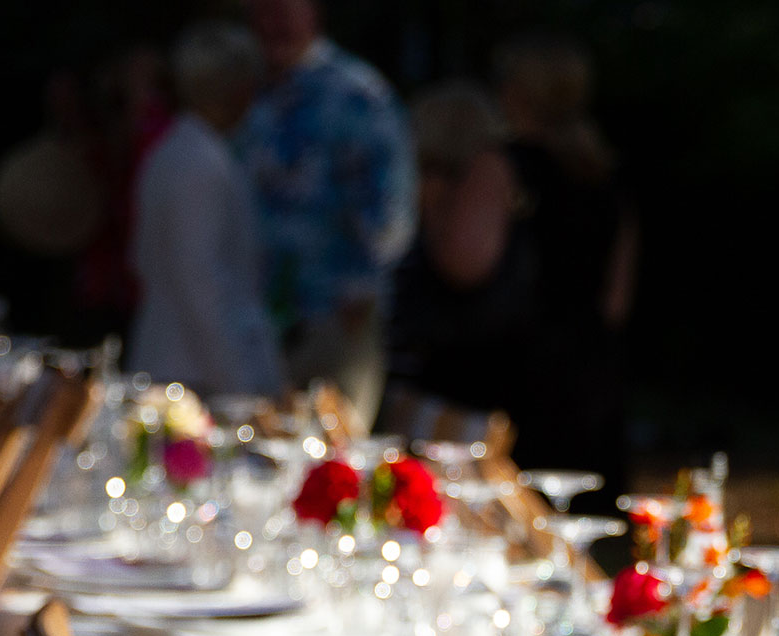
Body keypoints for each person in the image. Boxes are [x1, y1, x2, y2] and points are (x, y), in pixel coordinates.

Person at [236, 0, 413, 422]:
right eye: (262, 8)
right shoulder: (249, 92)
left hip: (331, 325)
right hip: (254, 325)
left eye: (285, 8)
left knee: (329, 470)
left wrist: (358, 288)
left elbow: (391, 218)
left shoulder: (356, 95)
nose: (272, 21)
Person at [494, 32, 633, 496]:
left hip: (516, 371)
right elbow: (616, 298)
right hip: (589, 372)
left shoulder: (505, 170)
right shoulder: (605, 177)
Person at [128, 24, 283, 397]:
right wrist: (242, 385)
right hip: (193, 374)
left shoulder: (177, 151)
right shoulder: (198, 162)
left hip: (181, 361)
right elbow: (201, 282)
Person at [383, 81, 532, 419]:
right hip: (456, 369)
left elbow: (463, 264)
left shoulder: (476, 181)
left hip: (455, 373)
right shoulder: (497, 181)